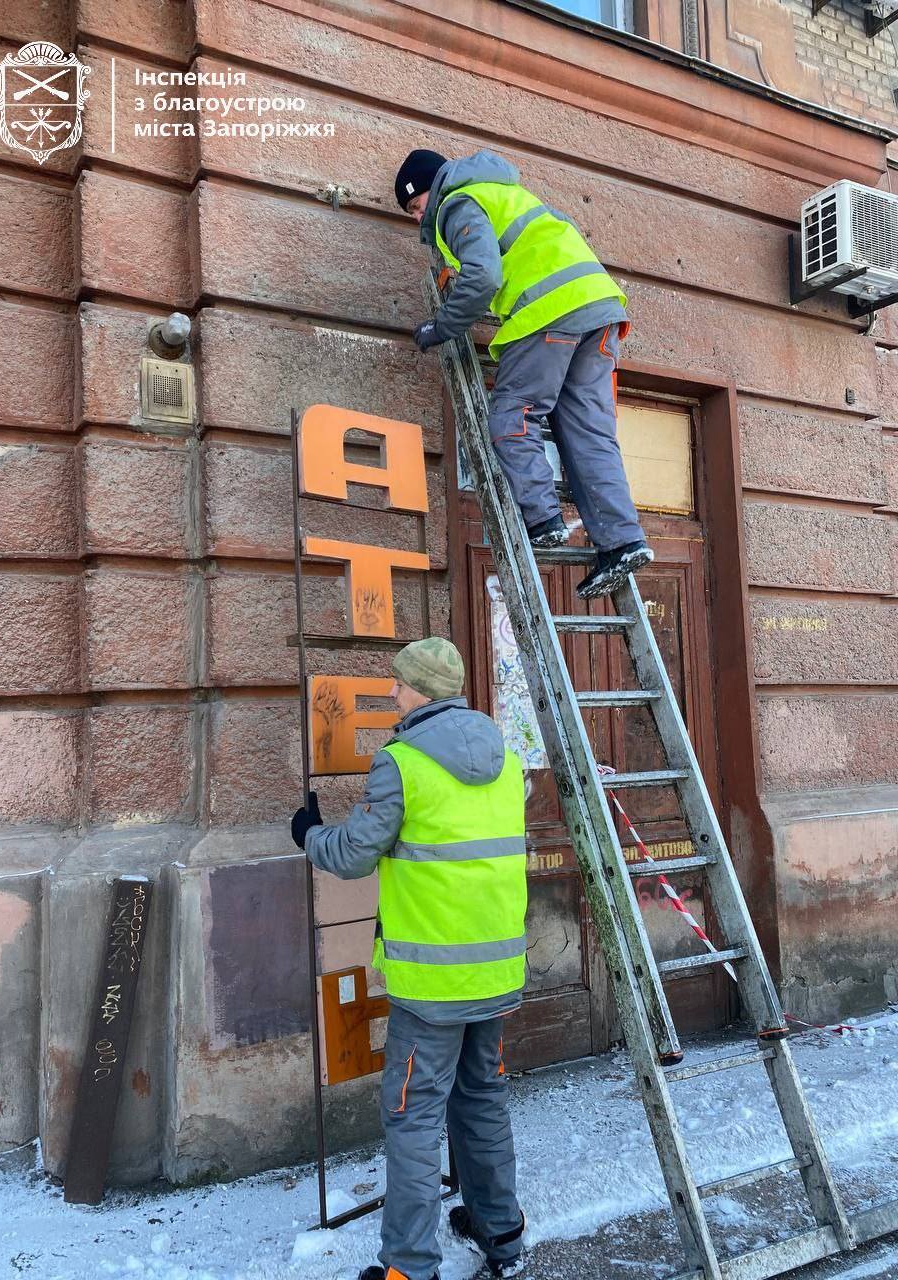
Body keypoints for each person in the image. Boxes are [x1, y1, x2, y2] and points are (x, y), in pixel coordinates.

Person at [291, 638, 528, 1280]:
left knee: (413, 1117)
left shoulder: (401, 762)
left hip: (431, 982)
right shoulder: (506, 758)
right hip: (495, 968)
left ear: (421, 689)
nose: (393, 693)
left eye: (398, 683)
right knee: (482, 1099)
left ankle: (408, 1267)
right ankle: (501, 1233)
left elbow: (353, 855)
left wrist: (308, 833)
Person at [396, 147, 653, 599]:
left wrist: (442, 326)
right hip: (600, 312)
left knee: (512, 416)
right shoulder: (507, 192)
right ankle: (623, 543)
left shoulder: (456, 202)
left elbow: (483, 276)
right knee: (590, 434)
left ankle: (543, 521)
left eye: (417, 206)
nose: (419, 218)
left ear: (432, 187)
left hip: (549, 314)